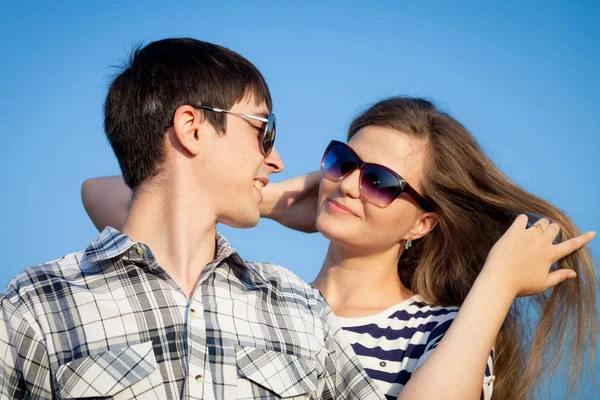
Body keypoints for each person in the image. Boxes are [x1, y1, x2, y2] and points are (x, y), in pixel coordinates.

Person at [82, 97, 599, 400]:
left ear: (421, 225)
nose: (349, 184)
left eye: (378, 181)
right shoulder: (254, 297)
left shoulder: (441, 331)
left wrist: (498, 284)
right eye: (342, 161)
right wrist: (270, 199)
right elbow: (106, 196)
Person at [0, 38, 384, 400]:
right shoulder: (37, 304)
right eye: (263, 130)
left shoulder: (297, 305)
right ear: (192, 128)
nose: (277, 160)